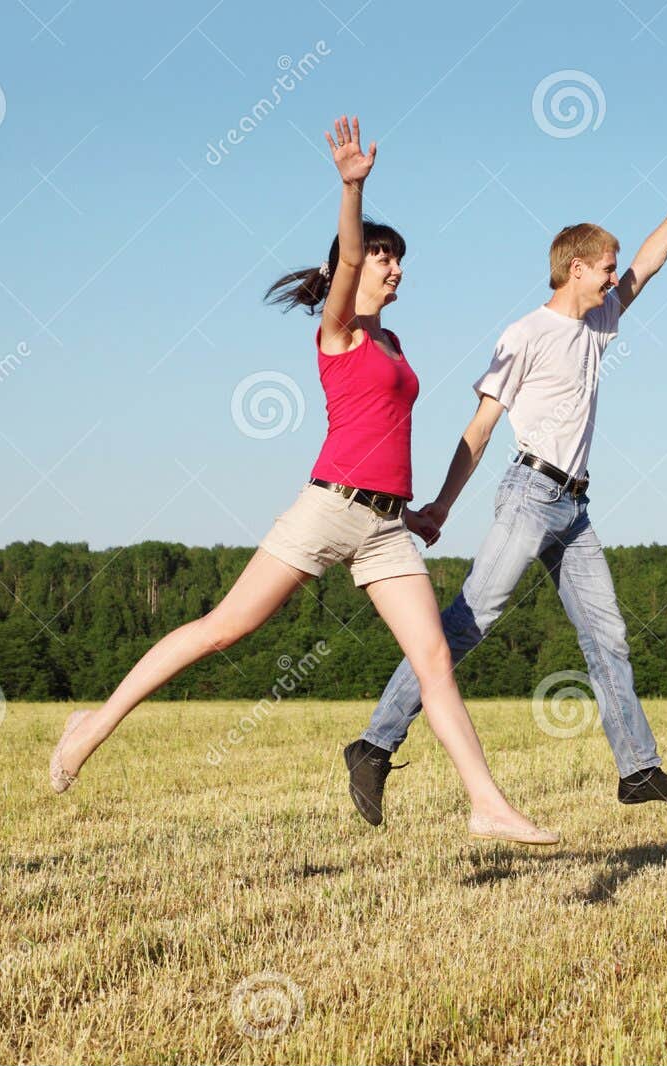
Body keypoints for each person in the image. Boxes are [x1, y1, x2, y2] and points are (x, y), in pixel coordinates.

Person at [48, 117, 557, 846]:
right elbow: (347, 257)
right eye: (385, 256)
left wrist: (412, 513)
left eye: (398, 259)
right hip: (326, 509)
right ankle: (89, 727)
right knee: (226, 629)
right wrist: (352, 190)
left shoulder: (393, 342)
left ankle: (486, 802)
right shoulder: (340, 329)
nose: (393, 266)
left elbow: (386, 433)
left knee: (435, 657)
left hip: (384, 525)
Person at [342, 136, 667, 827]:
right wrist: (442, 506)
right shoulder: (525, 334)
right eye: (602, 268)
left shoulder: (599, 322)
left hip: (574, 506)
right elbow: (480, 426)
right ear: (574, 268)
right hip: (528, 492)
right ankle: (373, 741)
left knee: (609, 636)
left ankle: (637, 768)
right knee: (469, 622)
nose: (612, 279)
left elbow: (648, 267)